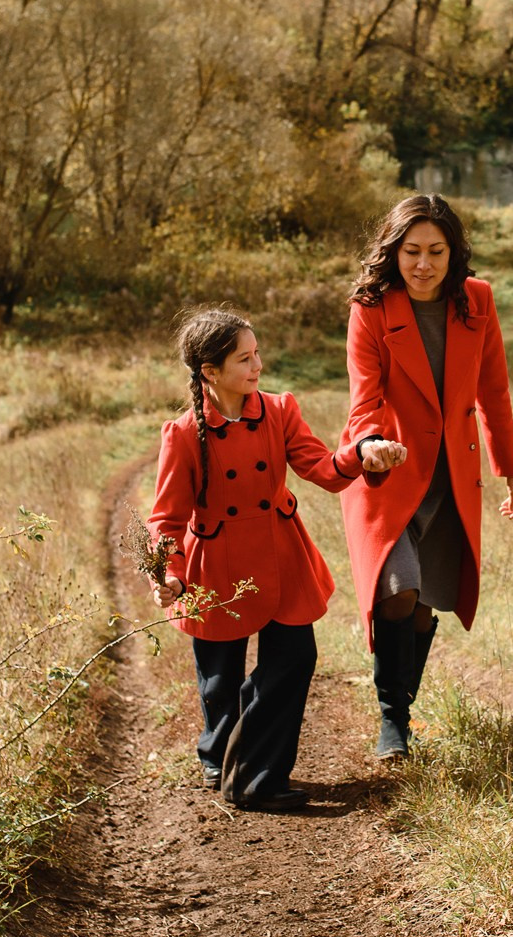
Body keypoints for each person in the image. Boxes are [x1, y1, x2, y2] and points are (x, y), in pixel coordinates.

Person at [148, 308, 406, 810]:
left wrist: (363, 452)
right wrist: (171, 574)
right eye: (244, 358)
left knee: (295, 658)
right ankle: (219, 755)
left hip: (279, 551)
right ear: (210, 372)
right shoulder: (183, 434)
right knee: (220, 682)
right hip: (216, 563)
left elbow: (323, 468)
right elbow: (166, 518)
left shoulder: (280, 410)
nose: (257, 365)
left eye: (257, 353)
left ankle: (257, 776)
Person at [341, 195, 513, 758]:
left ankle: (404, 705)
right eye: (411, 250)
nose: (423, 263)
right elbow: (363, 397)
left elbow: (493, 391)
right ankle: (392, 720)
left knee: (425, 608)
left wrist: (510, 471)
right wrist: (371, 444)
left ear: (454, 252)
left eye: (436, 251)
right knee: (400, 591)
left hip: (452, 479)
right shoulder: (370, 309)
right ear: (394, 252)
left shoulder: (479, 301)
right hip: (388, 473)